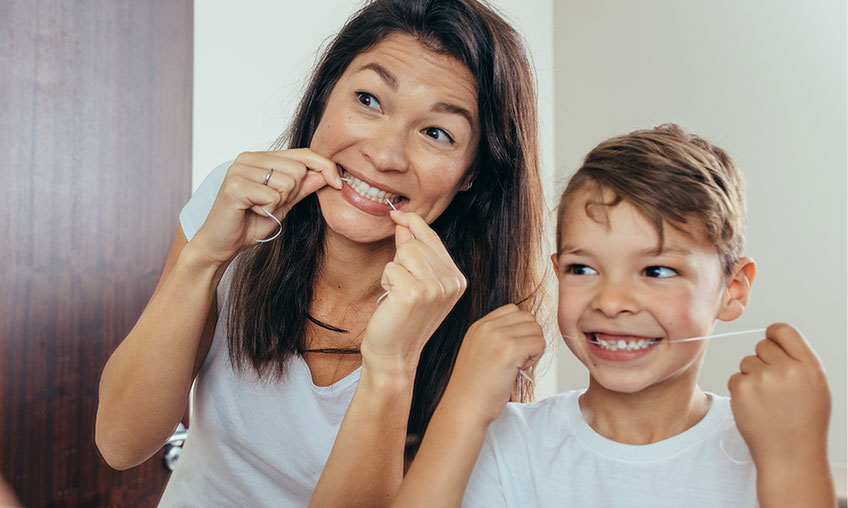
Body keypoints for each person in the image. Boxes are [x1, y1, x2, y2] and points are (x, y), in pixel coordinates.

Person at [94, 0, 546, 506]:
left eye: (436, 133)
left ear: (472, 175)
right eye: (369, 100)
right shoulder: (236, 201)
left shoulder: (480, 329)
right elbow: (121, 441)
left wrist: (393, 363)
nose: (384, 154)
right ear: (324, 97)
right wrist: (203, 260)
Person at [393, 124, 835, 507]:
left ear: (732, 290)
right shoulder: (509, 441)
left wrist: (795, 459)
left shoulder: (770, 445)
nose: (611, 300)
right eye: (583, 269)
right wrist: (463, 408)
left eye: (657, 270)